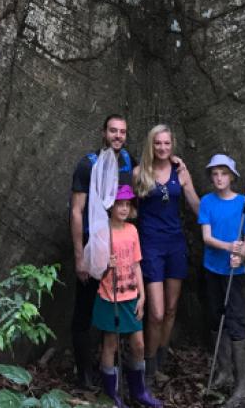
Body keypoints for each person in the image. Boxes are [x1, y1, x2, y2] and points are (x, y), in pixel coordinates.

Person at [69, 115, 135, 389]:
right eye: (113, 131)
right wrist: (79, 257)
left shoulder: (127, 163)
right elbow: (76, 211)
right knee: (85, 308)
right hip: (92, 245)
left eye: (122, 132)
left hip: (119, 247)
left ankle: (108, 370)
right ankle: (83, 374)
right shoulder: (88, 164)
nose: (117, 136)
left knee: (113, 306)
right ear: (103, 133)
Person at [132, 124, 200, 383]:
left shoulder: (180, 173)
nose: (162, 148)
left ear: (172, 146)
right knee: (156, 311)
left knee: (171, 309)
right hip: (150, 246)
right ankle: (147, 368)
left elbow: (194, 204)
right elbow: (126, 206)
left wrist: (223, 218)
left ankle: (159, 361)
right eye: (158, 143)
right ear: (152, 145)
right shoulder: (140, 173)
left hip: (175, 245)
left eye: (167, 144)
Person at [92, 185, 163, 408]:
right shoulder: (102, 232)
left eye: (127, 204)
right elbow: (95, 269)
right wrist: (105, 264)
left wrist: (142, 296)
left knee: (139, 345)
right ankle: (112, 395)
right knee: (110, 345)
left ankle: (139, 391)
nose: (123, 208)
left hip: (130, 294)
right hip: (110, 296)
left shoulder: (132, 230)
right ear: (111, 206)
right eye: (119, 204)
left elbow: (136, 264)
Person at [199, 154, 245, 406]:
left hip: (234, 273)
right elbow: (207, 237)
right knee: (214, 317)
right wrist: (230, 246)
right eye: (215, 174)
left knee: (236, 321)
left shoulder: (243, 203)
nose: (219, 178)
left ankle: (242, 383)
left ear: (232, 177)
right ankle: (224, 371)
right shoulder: (207, 202)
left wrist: (240, 254)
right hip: (212, 269)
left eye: (224, 173)